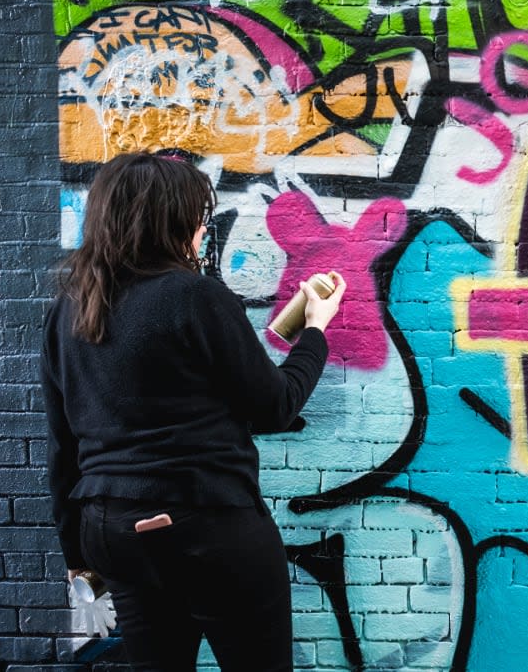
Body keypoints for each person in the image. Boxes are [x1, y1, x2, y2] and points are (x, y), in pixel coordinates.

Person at [40, 152, 347, 671]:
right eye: (198, 215)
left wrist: (78, 558)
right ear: (172, 221)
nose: (205, 227)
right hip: (204, 526)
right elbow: (275, 407)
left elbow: (62, 447)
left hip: (112, 532)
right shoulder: (194, 297)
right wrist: (315, 329)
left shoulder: (70, 308)